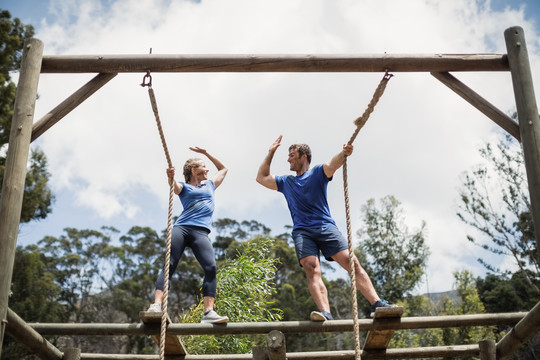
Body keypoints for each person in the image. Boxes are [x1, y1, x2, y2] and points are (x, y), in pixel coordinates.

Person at [256, 135, 394, 321]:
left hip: (324, 226)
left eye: (292, 155)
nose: (288, 159)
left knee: (351, 263)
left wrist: (344, 153)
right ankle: (325, 313)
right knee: (311, 267)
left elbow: (333, 164)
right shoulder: (286, 182)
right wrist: (271, 152)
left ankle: (377, 303)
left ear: (304, 156)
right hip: (303, 231)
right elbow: (261, 177)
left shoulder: (318, 173)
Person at [147, 146, 229, 324]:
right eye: (203, 166)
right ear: (194, 170)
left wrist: (206, 153)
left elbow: (224, 169)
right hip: (182, 228)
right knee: (169, 265)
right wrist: (170, 177)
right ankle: (156, 305)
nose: (207, 169)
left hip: (200, 232)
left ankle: (208, 313)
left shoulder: (210, 185)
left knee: (211, 268)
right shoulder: (184, 187)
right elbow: (175, 187)